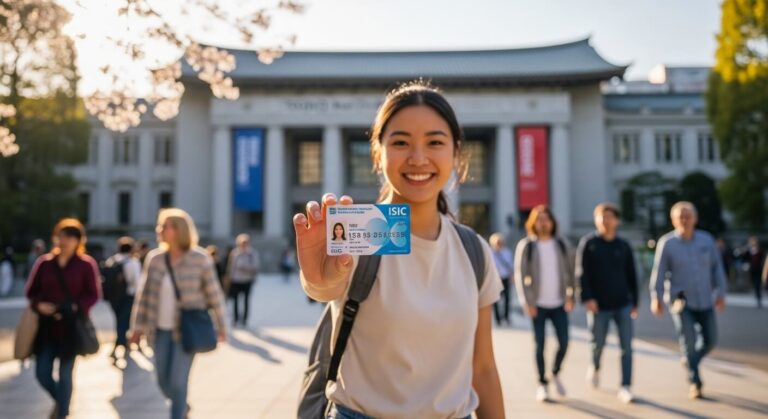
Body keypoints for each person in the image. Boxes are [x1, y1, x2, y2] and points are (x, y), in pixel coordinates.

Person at [293, 81, 505, 418]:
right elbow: (326, 286)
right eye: (401, 142)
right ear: (378, 153)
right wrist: (317, 278)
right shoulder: (357, 231)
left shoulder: (473, 250)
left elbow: (482, 368)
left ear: (456, 152)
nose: (418, 158)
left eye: (435, 142)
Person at [130, 208, 227, 419]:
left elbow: (215, 295)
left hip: (186, 330)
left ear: (179, 230)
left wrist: (222, 326)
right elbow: (143, 297)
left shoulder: (200, 259)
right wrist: (136, 328)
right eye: (160, 226)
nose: (160, 230)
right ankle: (182, 406)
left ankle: (178, 413)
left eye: (165, 226)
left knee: (177, 381)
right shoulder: (154, 259)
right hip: (158, 330)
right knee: (162, 381)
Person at [650, 201, 727, 399]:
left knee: (710, 340)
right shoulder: (667, 243)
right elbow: (659, 273)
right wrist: (656, 297)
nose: (684, 220)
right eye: (680, 216)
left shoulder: (706, 240)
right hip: (681, 301)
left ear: (695, 218)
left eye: (688, 216)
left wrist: (721, 293)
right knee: (689, 341)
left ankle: (690, 359)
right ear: (673, 220)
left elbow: (717, 268)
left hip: (705, 299)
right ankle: (695, 382)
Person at [25, 218, 100, 419]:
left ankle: (63, 414)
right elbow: (31, 292)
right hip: (47, 328)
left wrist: (77, 306)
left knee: (66, 375)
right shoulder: (45, 263)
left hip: (71, 328)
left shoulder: (85, 264)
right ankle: (61, 401)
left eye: (70, 237)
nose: (65, 241)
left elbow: (93, 294)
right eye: (62, 236)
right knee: (42, 373)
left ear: (78, 241)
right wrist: (39, 305)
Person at [576, 203, 638, 403]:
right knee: (597, 343)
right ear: (596, 220)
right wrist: (587, 298)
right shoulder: (589, 243)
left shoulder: (623, 246)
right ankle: (595, 366)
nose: (606, 220)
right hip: (598, 306)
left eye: (610, 217)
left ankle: (626, 385)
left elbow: (632, 275)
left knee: (626, 347)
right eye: (602, 217)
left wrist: (635, 301)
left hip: (622, 304)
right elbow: (581, 274)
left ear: (617, 221)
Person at [514, 205, 575, 402]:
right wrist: (526, 302)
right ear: (533, 222)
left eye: (547, 218)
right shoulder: (527, 246)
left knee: (564, 342)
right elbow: (520, 275)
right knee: (539, 345)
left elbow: (572, 271)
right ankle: (542, 383)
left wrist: (572, 295)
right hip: (537, 304)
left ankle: (555, 372)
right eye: (539, 218)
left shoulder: (562, 244)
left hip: (559, 303)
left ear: (552, 222)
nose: (543, 222)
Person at [103, 236, 141, 365]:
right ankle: (118, 348)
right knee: (124, 323)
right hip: (128, 296)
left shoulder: (112, 261)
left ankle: (122, 345)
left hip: (113, 298)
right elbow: (137, 282)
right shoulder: (132, 262)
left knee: (120, 322)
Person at [225, 234, 259, 327]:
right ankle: (235, 319)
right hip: (236, 280)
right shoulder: (235, 253)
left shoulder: (252, 253)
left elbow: (255, 267)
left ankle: (244, 319)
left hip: (247, 280)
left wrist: (244, 267)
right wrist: (229, 277)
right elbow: (231, 266)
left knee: (246, 300)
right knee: (235, 300)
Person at [489, 233, 514, 326]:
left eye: (500, 241)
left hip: (506, 277)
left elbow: (511, 265)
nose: (499, 243)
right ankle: (498, 319)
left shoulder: (507, 252)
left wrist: (512, 275)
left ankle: (506, 317)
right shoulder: (491, 252)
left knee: (507, 299)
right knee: (495, 300)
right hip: (495, 279)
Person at [739, 236, 765, 308]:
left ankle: (759, 298)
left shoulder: (760, 250)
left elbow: (762, 260)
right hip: (751, 270)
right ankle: (757, 296)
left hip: (759, 270)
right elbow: (743, 258)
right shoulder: (748, 250)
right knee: (754, 283)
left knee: (758, 283)